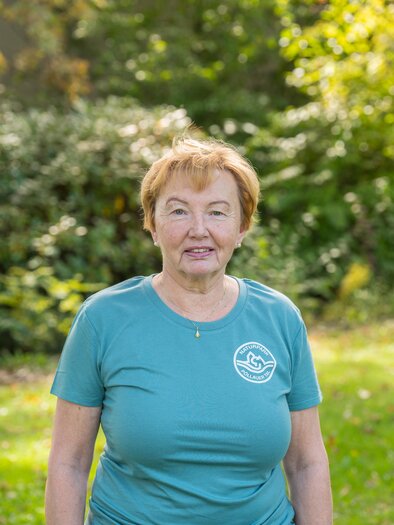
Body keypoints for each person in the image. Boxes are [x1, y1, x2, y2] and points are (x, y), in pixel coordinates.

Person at [45, 136, 333, 525]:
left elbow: (306, 462)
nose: (199, 230)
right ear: (153, 225)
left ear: (242, 227)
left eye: (217, 212)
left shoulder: (279, 318)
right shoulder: (103, 320)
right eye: (179, 211)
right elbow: (69, 462)